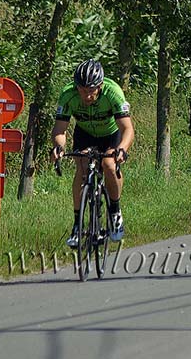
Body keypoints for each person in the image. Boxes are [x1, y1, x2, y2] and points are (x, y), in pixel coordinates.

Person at [51, 59, 134, 248]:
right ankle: (77, 226)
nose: (87, 96)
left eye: (91, 91)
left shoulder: (113, 93)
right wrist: (59, 147)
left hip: (111, 134)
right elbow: (60, 130)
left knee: (109, 165)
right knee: (81, 167)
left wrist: (122, 149)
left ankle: (115, 212)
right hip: (85, 134)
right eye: (82, 90)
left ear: (100, 86)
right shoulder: (68, 95)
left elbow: (128, 129)